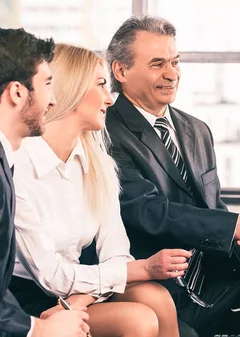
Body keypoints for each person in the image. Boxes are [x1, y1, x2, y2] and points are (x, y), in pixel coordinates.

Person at [104, 16, 240, 337]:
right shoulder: (106, 133)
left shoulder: (196, 129)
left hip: (211, 281)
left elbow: (212, 207)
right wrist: (237, 228)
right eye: (158, 64)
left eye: (175, 62)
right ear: (121, 71)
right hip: (153, 287)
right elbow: (148, 212)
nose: (172, 74)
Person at [9, 43, 187, 337]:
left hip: (77, 289)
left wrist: (82, 298)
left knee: (155, 296)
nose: (109, 99)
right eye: (101, 85)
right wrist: (143, 269)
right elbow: (51, 277)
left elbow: (118, 254)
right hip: (26, 296)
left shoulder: (98, 163)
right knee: (137, 319)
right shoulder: (20, 165)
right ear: (72, 90)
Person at [0, 28, 90, 337]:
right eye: (47, 84)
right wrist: (38, 328)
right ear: (17, 92)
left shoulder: (6, 160)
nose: (53, 100)